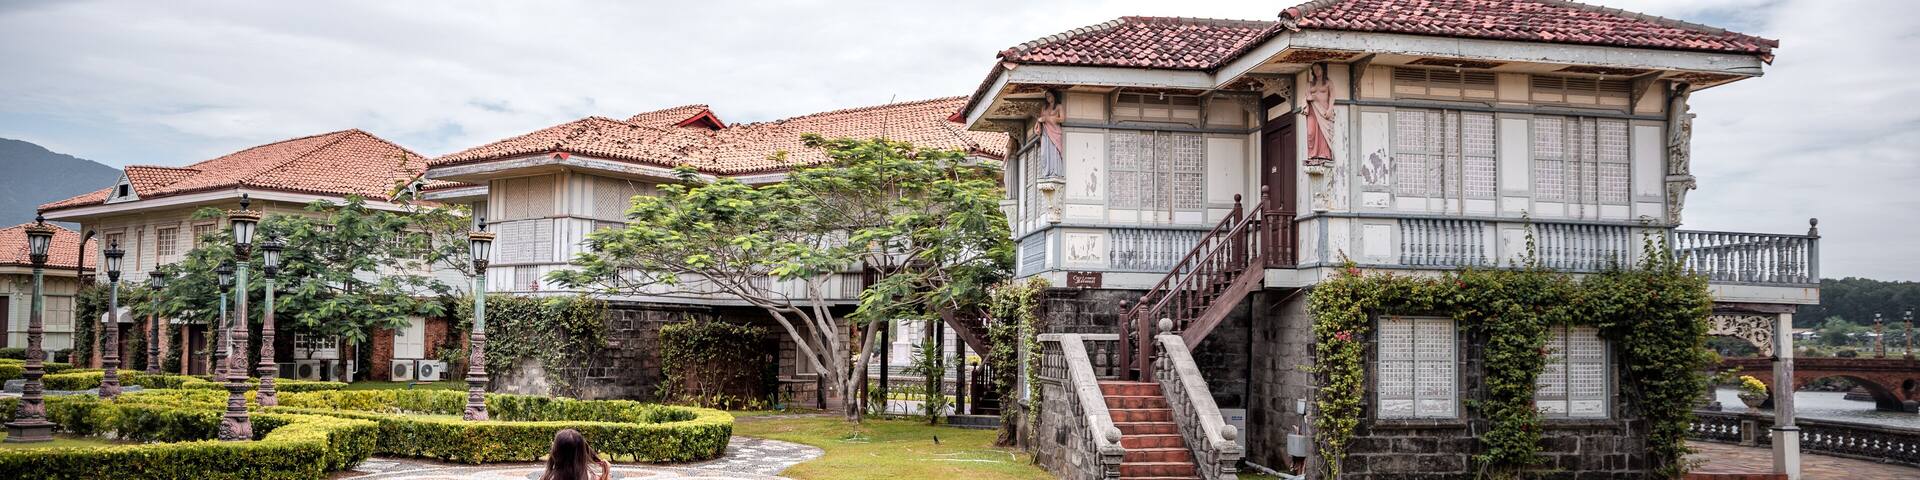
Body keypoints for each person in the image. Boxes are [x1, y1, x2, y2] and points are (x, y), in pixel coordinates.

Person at [541, 429, 611, 480]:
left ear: (555, 453)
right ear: (583, 453)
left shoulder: (546, 478)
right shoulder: (595, 478)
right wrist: (606, 476)